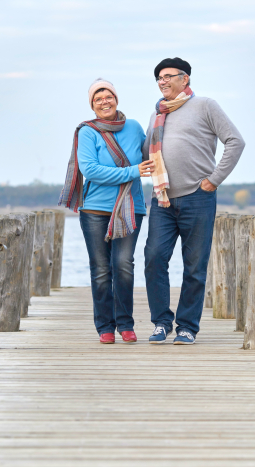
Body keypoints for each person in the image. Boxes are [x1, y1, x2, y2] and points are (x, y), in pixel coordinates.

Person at [142, 57, 245, 344]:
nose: (162, 82)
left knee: (195, 266)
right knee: (153, 258)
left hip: (198, 198)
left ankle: (187, 326)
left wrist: (214, 180)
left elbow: (235, 141)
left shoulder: (205, 106)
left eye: (168, 76)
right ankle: (162, 322)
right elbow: (144, 152)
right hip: (162, 200)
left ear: (185, 79)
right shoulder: (157, 114)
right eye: (159, 78)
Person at [59, 78, 156, 344]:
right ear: (92, 105)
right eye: (98, 98)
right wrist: (132, 171)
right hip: (95, 210)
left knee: (123, 265)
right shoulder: (87, 132)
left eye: (108, 96)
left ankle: (125, 324)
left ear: (116, 99)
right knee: (101, 269)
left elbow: (154, 154)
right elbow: (90, 170)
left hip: (131, 207)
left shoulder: (134, 128)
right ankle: (104, 326)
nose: (105, 102)